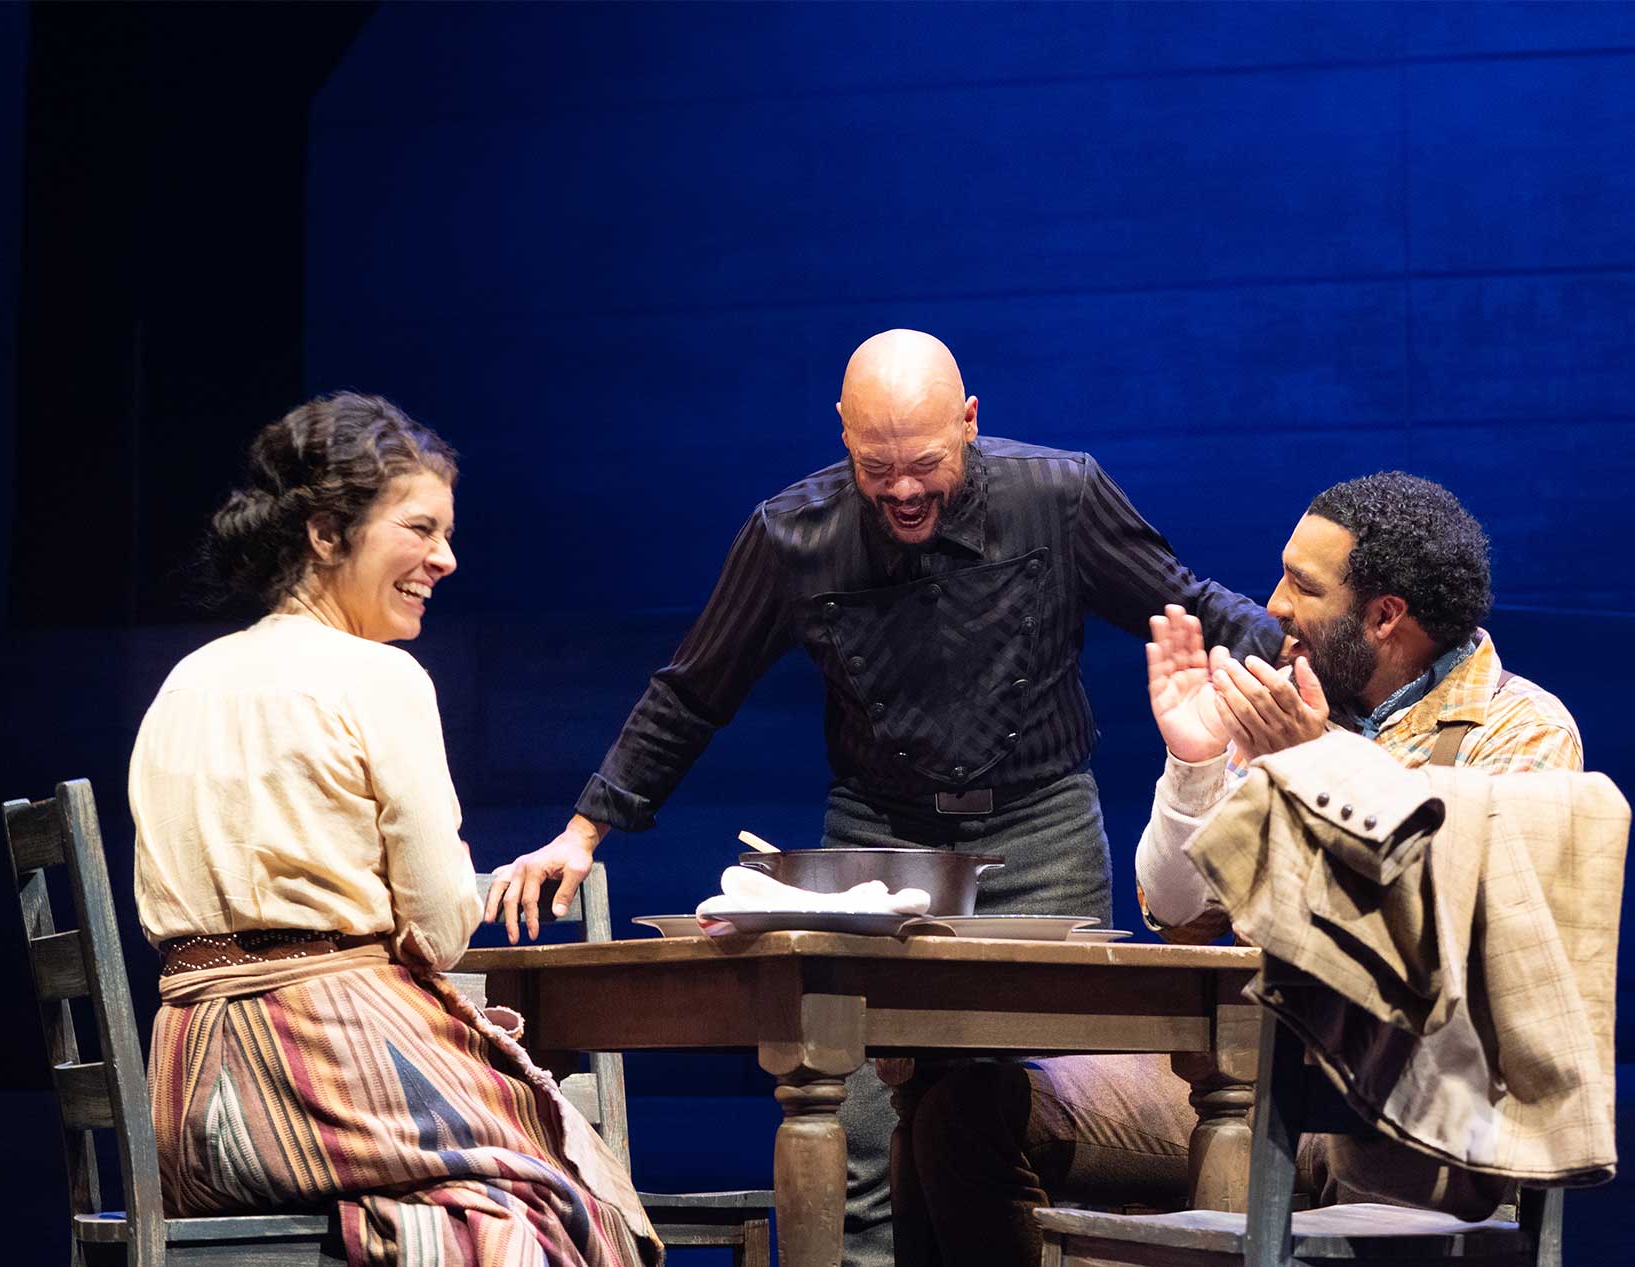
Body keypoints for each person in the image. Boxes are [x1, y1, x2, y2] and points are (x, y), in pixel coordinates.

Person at [493, 329, 1281, 1265]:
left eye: (926, 464)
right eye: (877, 468)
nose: (903, 491)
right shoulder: (793, 534)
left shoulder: (1059, 496)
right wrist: (583, 833)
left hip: (1041, 833)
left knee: (1008, 1106)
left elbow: (1186, 603)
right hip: (876, 844)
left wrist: (1314, 657)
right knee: (858, 1132)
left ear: (971, 424)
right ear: (842, 436)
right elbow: (691, 691)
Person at [897, 472, 1583, 1267]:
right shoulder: (1291, 701)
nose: (1275, 604)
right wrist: (1194, 762)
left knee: (1241, 1139)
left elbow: (1450, 927)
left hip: (1407, 1109)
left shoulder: (1520, 731)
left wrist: (1320, 760)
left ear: (1386, 615)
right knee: (963, 1115)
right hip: (1241, 1067)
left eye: (1304, 584)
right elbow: (1180, 911)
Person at [130, 392, 657, 1265]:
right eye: (419, 529)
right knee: (563, 1193)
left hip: (190, 1095)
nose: (444, 559)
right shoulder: (381, 677)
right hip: (323, 1074)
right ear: (328, 533)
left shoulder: (184, 681)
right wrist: (455, 874)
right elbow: (441, 928)